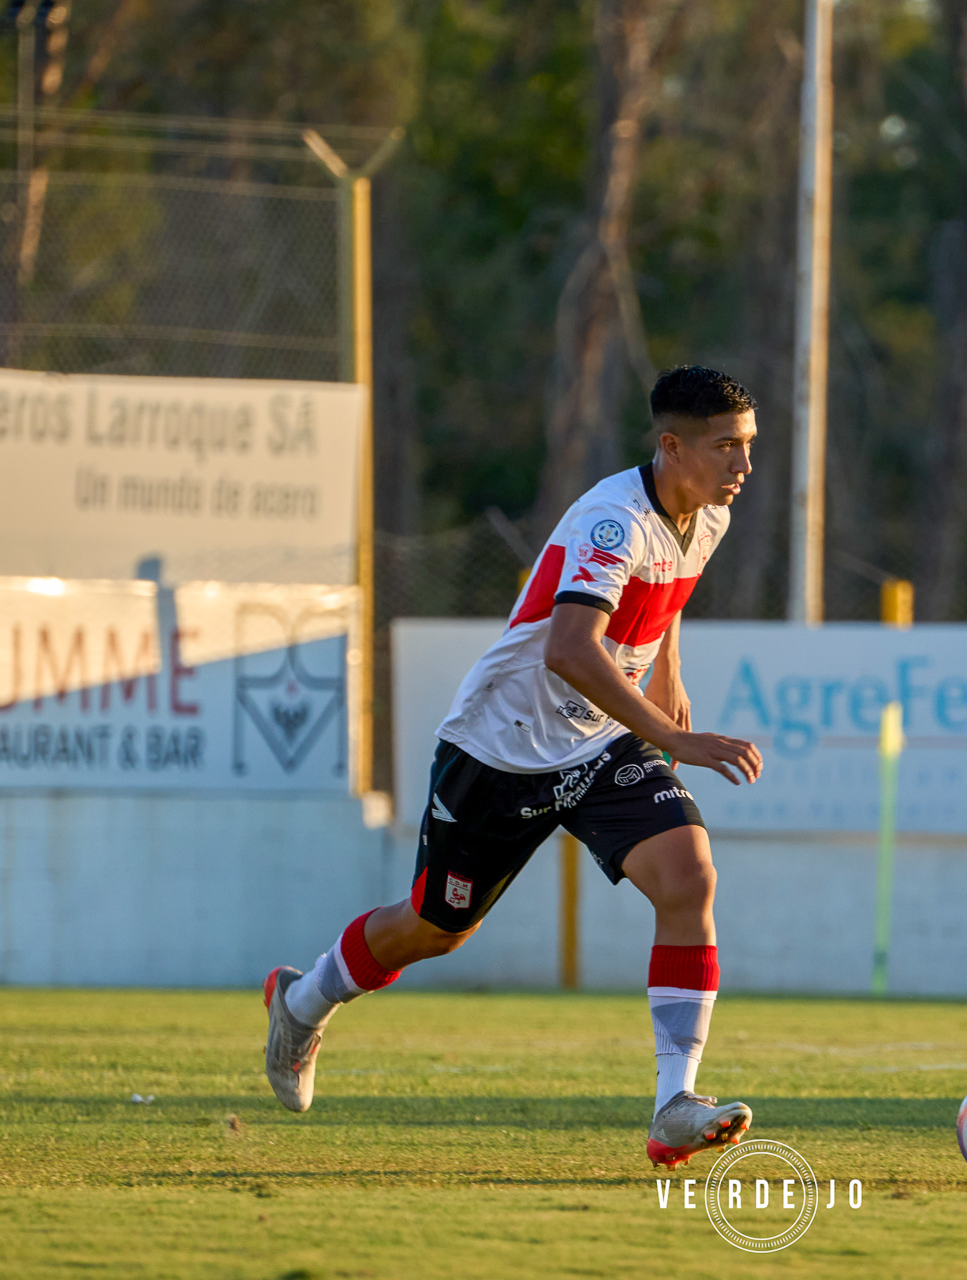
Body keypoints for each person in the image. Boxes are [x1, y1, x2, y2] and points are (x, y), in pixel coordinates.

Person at [262, 366, 764, 1170]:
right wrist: (684, 740)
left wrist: (668, 697)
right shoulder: (613, 521)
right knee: (434, 930)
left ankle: (675, 1104)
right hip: (500, 748)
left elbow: (662, 612)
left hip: (601, 743)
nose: (743, 466)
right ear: (672, 447)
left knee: (689, 877)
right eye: (726, 448)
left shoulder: (706, 517)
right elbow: (570, 650)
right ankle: (303, 999)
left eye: (748, 447)